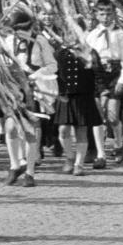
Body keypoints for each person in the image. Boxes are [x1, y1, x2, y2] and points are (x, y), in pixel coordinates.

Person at [3, 8, 55, 188]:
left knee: (30, 131)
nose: (21, 33)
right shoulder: (9, 42)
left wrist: (36, 75)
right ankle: (15, 165)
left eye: (25, 29)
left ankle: (30, 172)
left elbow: (52, 65)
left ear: (32, 26)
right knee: (10, 127)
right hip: (14, 90)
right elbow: (3, 64)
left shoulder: (41, 41)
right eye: (16, 29)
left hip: (33, 90)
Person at [85, 0, 123, 167]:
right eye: (102, 14)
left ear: (114, 14)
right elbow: (87, 58)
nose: (105, 17)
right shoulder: (91, 35)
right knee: (98, 115)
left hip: (114, 74)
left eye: (108, 13)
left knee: (112, 116)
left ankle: (119, 143)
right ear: (96, 15)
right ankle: (100, 154)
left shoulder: (121, 35)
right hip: (97, 75)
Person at [51, 38, 101, 176]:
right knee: (62, 130)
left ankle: (79, 164)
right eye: (68, 34)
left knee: (81, 131)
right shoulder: (59, 53)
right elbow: (52, 72)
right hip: (65, 96)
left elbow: (98, 72)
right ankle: (70, 157)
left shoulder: (90, 52)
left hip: (84, 95)